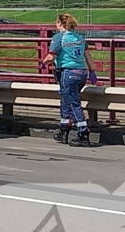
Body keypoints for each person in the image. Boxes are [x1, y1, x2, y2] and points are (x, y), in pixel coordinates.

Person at [41, 13, 97, 147]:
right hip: (81, 73)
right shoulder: (80, 38)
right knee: (66, 100)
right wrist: (92, 71)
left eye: (56, 23)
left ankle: (83, 132)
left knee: (72, 103)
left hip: (68, 73)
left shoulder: (59, 37)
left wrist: (43, 63)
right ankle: (63, 129)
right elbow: (88, 56)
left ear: (60, 23)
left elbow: (51, 56)